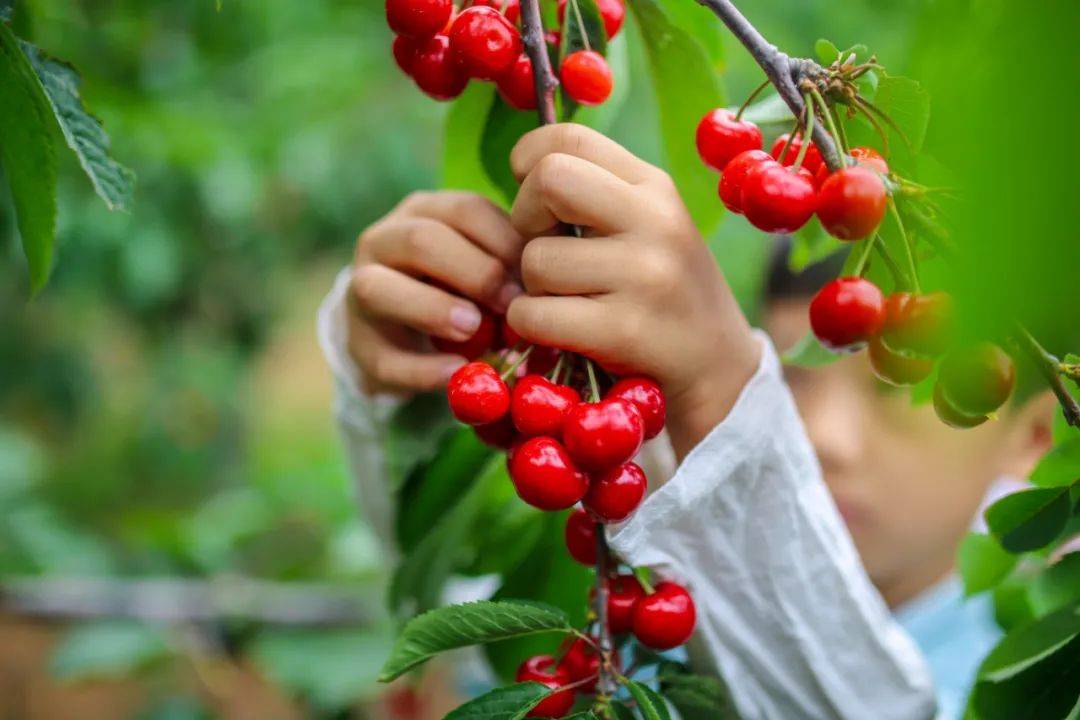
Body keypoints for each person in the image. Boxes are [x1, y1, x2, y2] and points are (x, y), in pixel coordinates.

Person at [317, 124, 1054, 719]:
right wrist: (416, 385)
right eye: (787, 379)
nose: (822, 436)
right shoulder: (636, 596)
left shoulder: (1039, 666)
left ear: (1033, 436)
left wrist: (729, 396)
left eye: (898, 388)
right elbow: (465, 612)